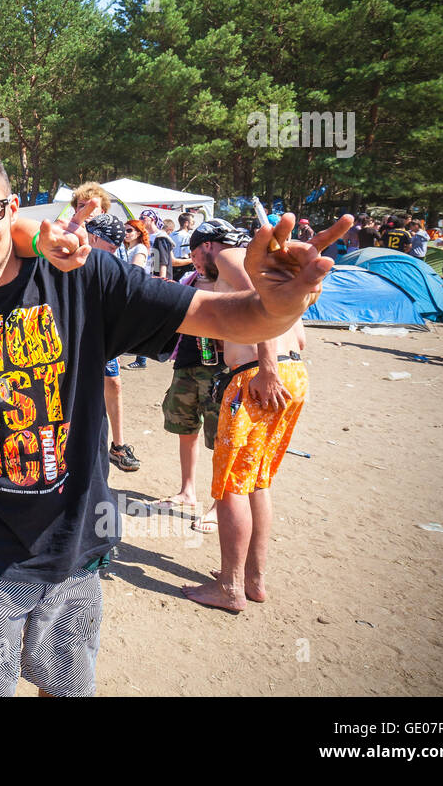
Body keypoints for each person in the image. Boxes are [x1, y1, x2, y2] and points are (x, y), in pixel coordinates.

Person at [0, 141, 348, 693]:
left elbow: (236, 319)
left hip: (76, 549)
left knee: (68, 690)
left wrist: (279, 304)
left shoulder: (86, 276)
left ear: (13, 208)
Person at [181, 219, 309, 612]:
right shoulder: (262, 268)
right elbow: (297, 334)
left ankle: (230, 587)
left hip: (258, 378)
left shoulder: (233, 256)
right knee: (257, 482)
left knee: (232, 485)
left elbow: (260, 300)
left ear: (210, 245)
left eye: (196, 251)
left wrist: (265, 367)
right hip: (293, 373)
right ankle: (253, 579)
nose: (195, 262)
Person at [156, 267, 224, 516]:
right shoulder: (190, 279)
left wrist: (219, 341)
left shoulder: (230, 282)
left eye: (197, 252)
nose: (193, 258)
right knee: (185, 430)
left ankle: (220, 505)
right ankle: (187, 491)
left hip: (219, 370)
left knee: (221, 440)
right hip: (186, 364)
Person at [83, 214, 142, 472]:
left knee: (114, 383)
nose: (115, 251)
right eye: (111, 245)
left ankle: (117, 446)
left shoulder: (111, 261)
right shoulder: (68, 253)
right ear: (94, 237)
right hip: (75, 333)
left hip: (102, 334)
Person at [122, 220, 151, 369]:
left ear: (138, 233)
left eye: (129, 231)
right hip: (134, 290)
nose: (125, 233)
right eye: (124, 230)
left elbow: (134, 271)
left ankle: (141, 360)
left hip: (138, 291)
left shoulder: (139, 248)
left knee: (140, 326)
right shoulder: (129, 248)